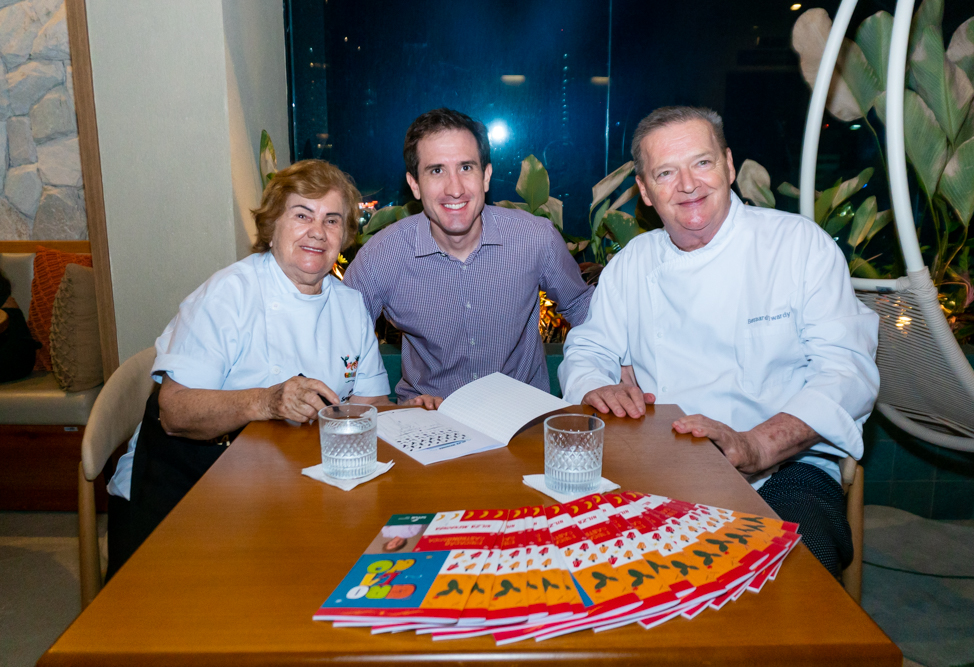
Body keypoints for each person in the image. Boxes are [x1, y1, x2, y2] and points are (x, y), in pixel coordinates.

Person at [558, 106, 879, 575]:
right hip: (659, 470)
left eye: (702, 163)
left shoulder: (798, 246)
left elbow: (847, 371)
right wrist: (594, 384)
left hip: (785, 472)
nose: (688, 184)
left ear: (729, 166)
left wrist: (756, 445)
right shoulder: (633, 263)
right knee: (595, 576)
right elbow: (588, 349)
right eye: (666, 172)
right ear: (646, 192)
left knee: (789, 592)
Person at [105, 160, 397, 578]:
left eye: (332, 220)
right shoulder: (230, 293)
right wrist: (268, 400)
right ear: (272, 226)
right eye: (302, 215)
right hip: (186, 487)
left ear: (344, 237)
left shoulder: (349, 305)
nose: (317, 231)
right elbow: (174, 411)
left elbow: (370, 404)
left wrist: (412, 414)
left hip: (286, 486)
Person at [343, 108, 594, 402]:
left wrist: (610, 371)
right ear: (414, 185)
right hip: (428, 421)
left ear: (485, 176)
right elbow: (341, 337)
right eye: (436, 170)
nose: (455, 188)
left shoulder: (535, 238)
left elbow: (582, 308)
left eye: (466, 167)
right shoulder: (381, 257)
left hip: (522, 420)